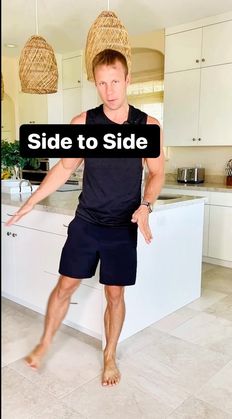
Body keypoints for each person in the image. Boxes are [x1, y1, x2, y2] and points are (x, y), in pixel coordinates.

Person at [6, 49, 165, 387]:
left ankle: (109, 355)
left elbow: (157, 174)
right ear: (96, 84)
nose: (109, 90)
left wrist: (146, 205)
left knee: (115, 295)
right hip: (87, 223)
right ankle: (45, 343)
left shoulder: (148, 126)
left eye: (115, 82)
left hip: (122, 227)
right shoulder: (84, 123)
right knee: (65, 285)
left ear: (128, 81)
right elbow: (64, 168)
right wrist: (31, 201)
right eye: (102, 83)